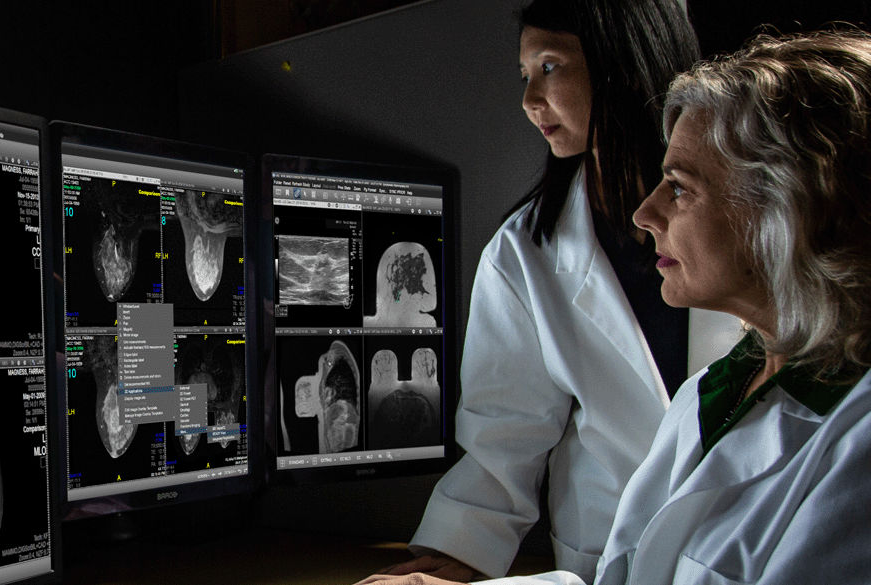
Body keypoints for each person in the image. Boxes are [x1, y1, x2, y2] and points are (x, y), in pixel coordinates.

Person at [363, 29, 871, 585]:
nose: (644, 215)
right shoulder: (710, 394)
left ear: (790, 209)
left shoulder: (856, 446)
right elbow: (506, 431)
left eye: (679, 188)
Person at [362, 0, 708, 583]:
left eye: (549, 67)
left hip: (743, 546)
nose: (529, 100)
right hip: (609, 557)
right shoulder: (525, 251)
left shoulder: (747, 224)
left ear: (623, 63)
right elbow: (504, 430)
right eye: (524, 75)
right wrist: (462, 553)